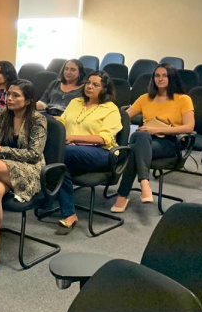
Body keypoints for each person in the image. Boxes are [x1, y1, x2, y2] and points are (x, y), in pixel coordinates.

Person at [0, 79, 46, 271]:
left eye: (16, 95)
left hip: (30, 169)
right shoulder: (2, 114)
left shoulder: (38, 120)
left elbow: (34, 154)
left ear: (28, 100)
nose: (9, 98)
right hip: (3, 166)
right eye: (8, 94)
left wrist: (2, 150)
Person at [111, 63, 194, 213]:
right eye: (157, 75)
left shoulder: (183, 99)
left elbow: (189, 127)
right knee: (140, 136)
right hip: (145, 140)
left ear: (172, 78)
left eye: (164, 76)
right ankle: (144, 183)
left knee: (133, 149)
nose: (160, 79)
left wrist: (157, 129)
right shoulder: (145, 98)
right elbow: (124, 117)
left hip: (169, 142)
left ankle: (123, 195)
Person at [55, 70, 122, 229]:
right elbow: (63, 122)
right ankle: (69, 214)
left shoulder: (110, 109)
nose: (89, 87)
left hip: (103, 153)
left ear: (104, 89)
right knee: (61, 166)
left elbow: (104, 138)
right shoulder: (75, 102)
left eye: (95, 85)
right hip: (72, 150)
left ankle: (44, 196)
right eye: (88, 83)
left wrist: (73, 138)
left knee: (62, 154)